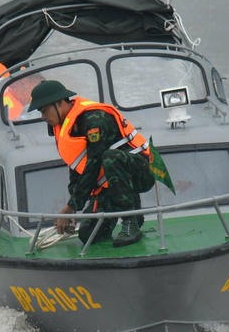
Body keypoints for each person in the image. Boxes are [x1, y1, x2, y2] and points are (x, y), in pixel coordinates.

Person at [28, 79, 155, 247]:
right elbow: (75, 164)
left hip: (139, 172)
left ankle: (130, 220)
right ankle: (130, 208)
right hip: (111, 181)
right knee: (89, 235)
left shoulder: (95, 120)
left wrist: (71, 206)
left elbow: (94, 164)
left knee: (111, 157)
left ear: (59, 103)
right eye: (41, 113)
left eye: (45, 111)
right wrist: (73, 207)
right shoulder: (64, 125)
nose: (43, 117)